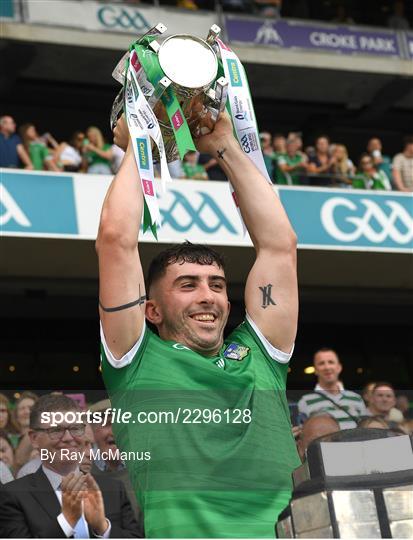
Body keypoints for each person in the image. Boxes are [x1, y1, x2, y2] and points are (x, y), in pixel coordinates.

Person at [96, 111, 300, 537]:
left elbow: (280, 246)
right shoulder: (135, 362)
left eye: (217, 285)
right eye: (187, 285)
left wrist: (224, 144)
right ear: (151, 310)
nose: (208, 295)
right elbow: (116, 240)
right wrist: (140, 142)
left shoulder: (261, 356)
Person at [0, 393, 141, 538]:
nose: (68, 438)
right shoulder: (13, 495)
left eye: (75, 428)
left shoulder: (112, 488)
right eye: (56, 430)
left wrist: (103, 528)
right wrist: (66, 522)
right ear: (34, 438)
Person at [298, 348, 367, 430]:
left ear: (339, 367)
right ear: (315, 370)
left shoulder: (357, 398)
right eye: (321, 363)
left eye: (331, 362)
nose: (327, 367)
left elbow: (365, 431)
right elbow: (305, 436)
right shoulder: (305, 402)